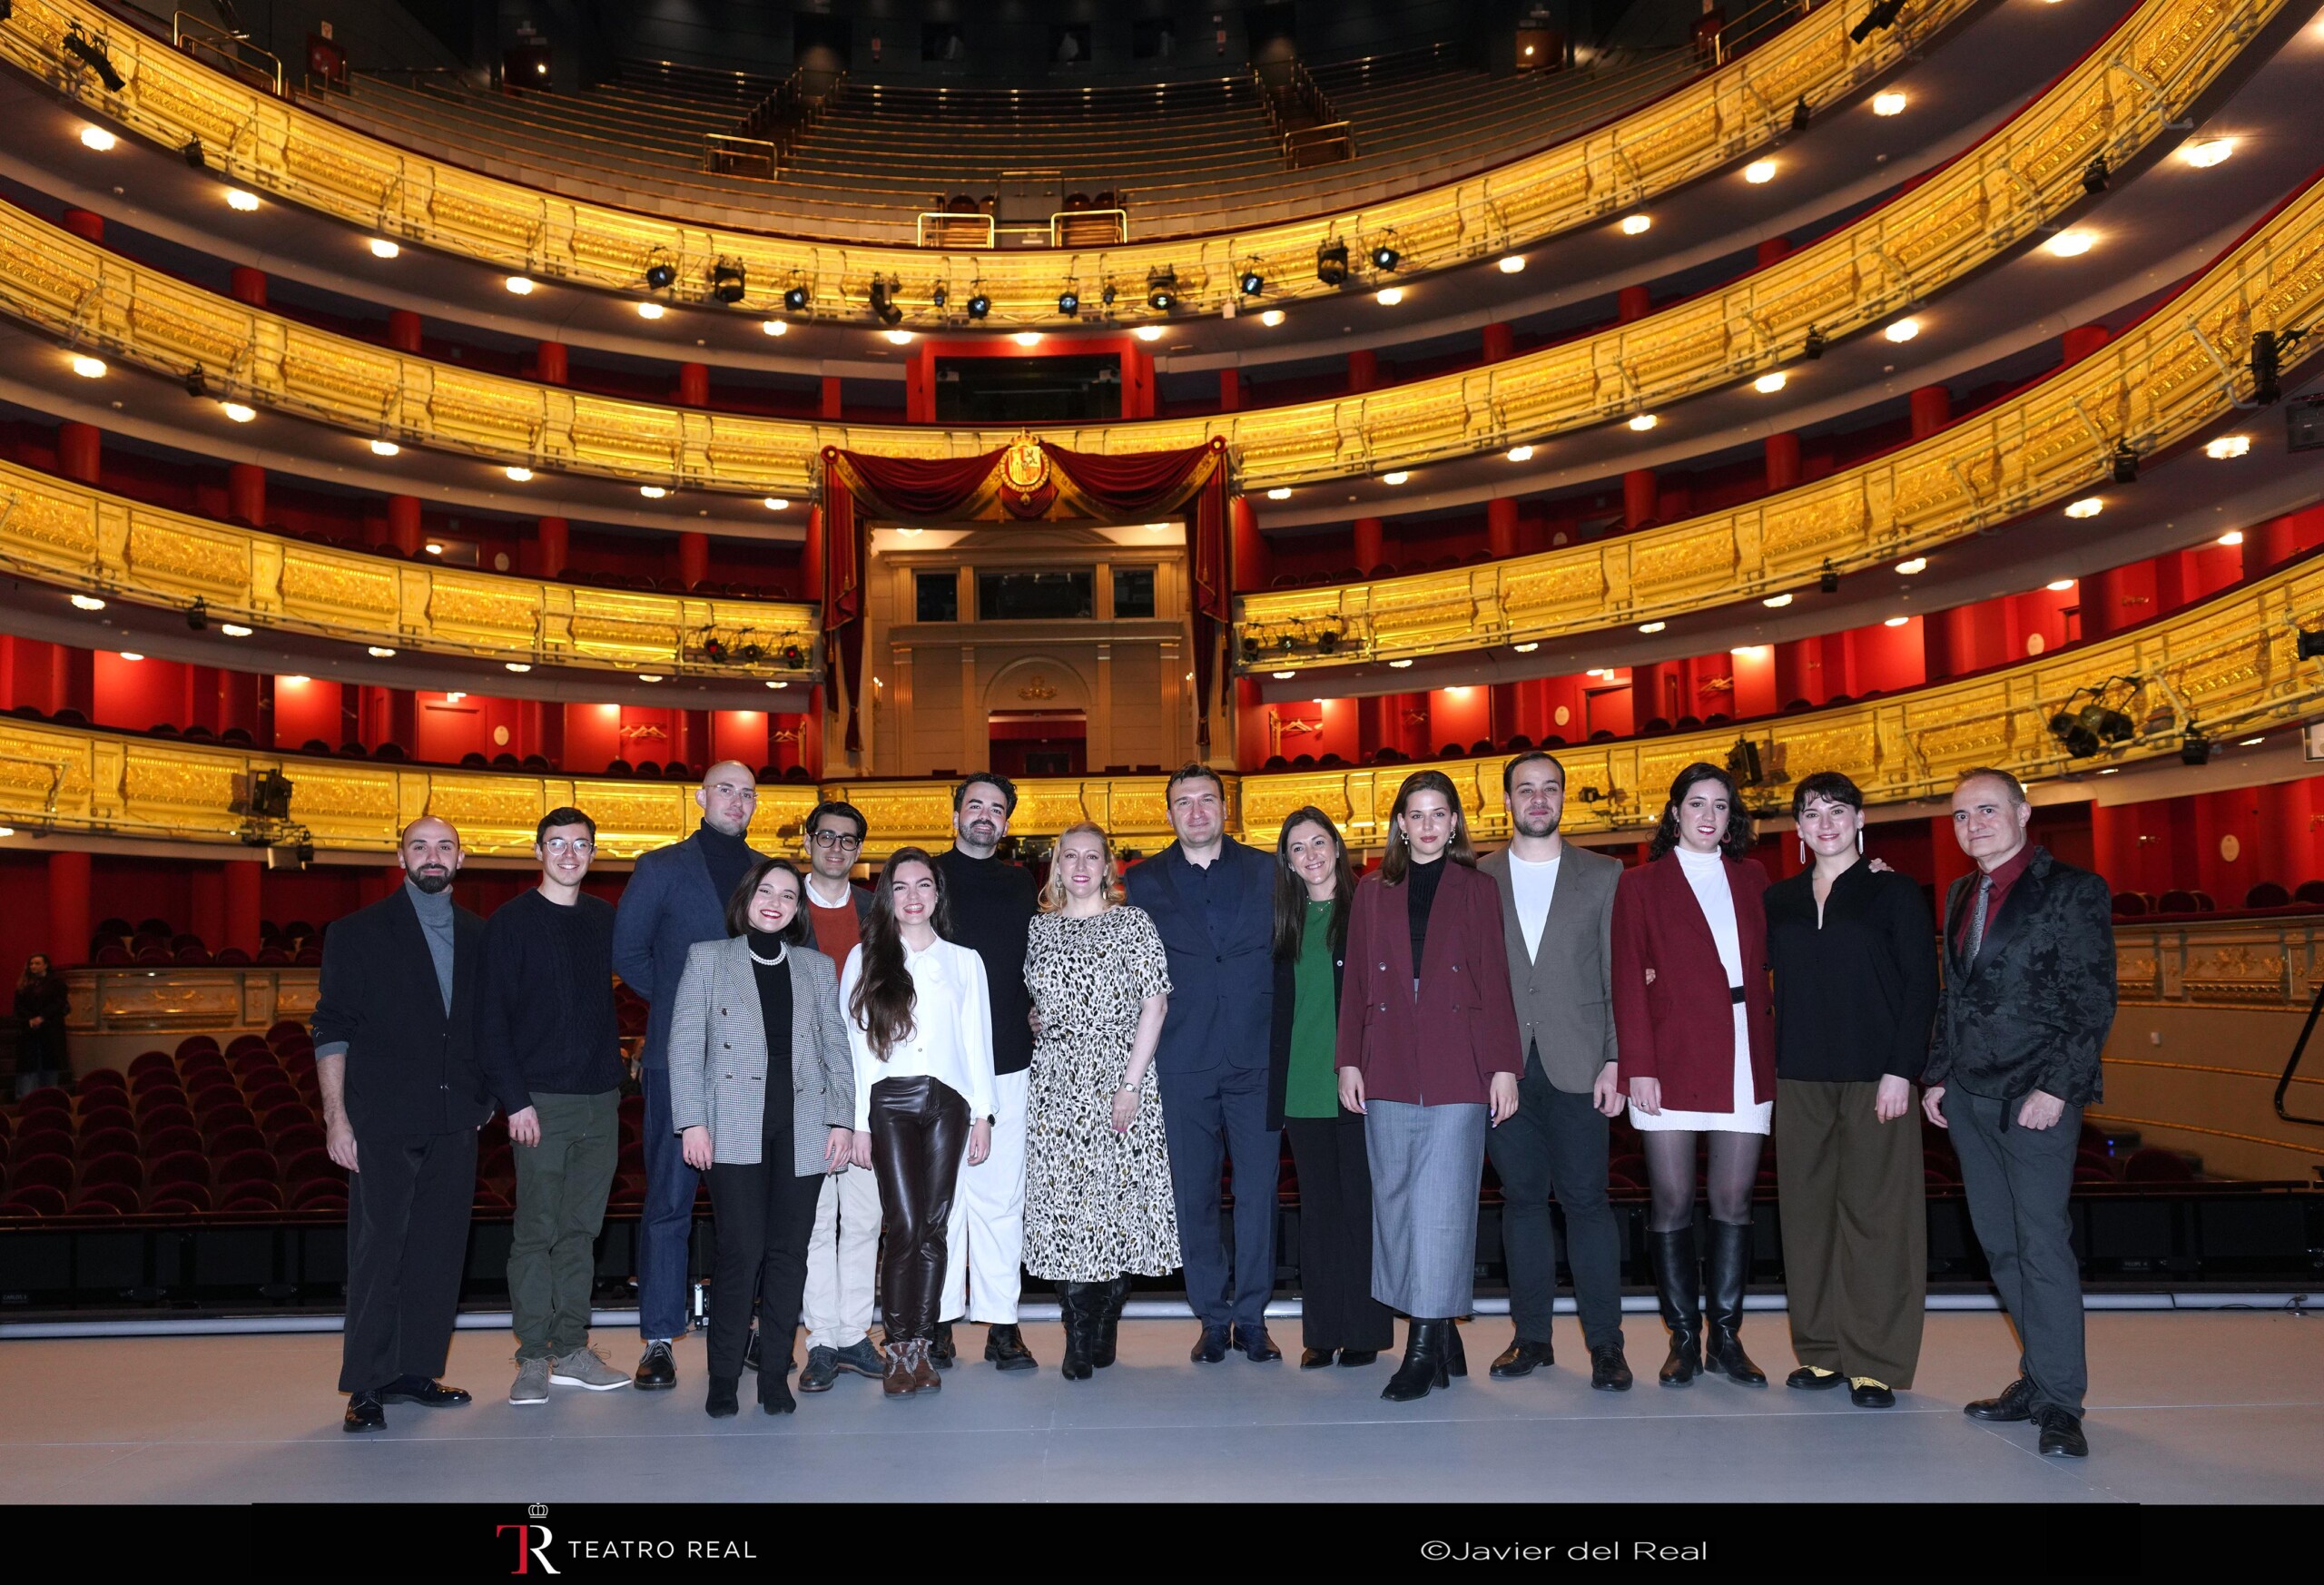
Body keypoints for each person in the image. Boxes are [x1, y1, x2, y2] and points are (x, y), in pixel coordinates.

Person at [1924, 767, 2114, 1459]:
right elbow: (1955, 996)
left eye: (1987, 810)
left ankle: (2062, 1402)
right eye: (1961, 816)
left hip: (2037, 1096)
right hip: (1970, 1096)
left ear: (2023, 812)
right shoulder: (1959, 894)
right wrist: (1938, 1074)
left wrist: (2058, 1089)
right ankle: (2036, 1378)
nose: (1974, 824)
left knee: (2041, 1247)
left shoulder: (2073, 891)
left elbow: (2091, 1001)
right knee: (2000, 1245)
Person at [1336, 770, 1522, 1403]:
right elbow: (1357, 982)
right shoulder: (1371, 892)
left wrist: (1503, 1065)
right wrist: (1348, 1061)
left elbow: (1496, 978)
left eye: (1438, 814)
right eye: (1414, 814)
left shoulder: (1478, 888)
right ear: (1398, 824)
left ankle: (1421, 1348)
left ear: (1454, 823)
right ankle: (1439, 1334)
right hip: (1385, 1055)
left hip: (1457, 1060)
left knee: (1441, 1205)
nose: (1426, 825)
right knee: (1394, 1201)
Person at [1766, 772, 1939, 1410]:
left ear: (1861, 819)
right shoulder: (1778, 899)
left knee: (1878, 1223)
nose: (1826, 822)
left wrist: (1903, 1070)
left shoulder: (1893, 892)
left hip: (1876, 1078)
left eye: (1839, 810)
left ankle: (1876, 1360)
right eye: (1812, 813)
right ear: (1799, 828)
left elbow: (1922, 984)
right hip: (1797, 1078)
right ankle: (1821, 1353)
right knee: (1807, 1221)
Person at [314, 816, 490, 1432]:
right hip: (381, 1120)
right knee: (377, 1253)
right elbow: (332, 1028)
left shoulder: (478, 935)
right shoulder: (356, 933)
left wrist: (486, 1100)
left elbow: (488, 1028)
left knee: (439, 1253)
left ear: (461, 859)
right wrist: (337, 1118)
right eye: (420, 846)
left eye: (444, 846)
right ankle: (365, 1385)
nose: (432, 856)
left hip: (453, 1120)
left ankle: (414, 1371)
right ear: (401, 857)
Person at [667, 857, 855, 1418]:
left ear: (798, 909)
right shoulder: (708, 959)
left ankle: (776, 1373)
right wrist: (691, 1122)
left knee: (789, 1255)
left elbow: (835, 1049)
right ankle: (723, 1377)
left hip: (804, 1129)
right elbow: (684, 1048)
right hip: (732, 1128)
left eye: (789, 895)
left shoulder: (815, 967)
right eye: (766, 891)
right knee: (740, 1253)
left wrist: (842, 1119)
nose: (776, 902)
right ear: (747, 897)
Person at [1612, 762, 1776, 1390]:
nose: (1709, 816)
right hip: (1668, 1055)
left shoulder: (1756, 878)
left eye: (1721, 806)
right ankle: (1683, 1339)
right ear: (1675, 811)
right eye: (1697, 804)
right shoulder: (1641, 884)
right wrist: (1639, 1068)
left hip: (1743, 1050)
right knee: (1674, 1201)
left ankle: (1726, 1339)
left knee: (1733, 1202)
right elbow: (1628, 978)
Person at [1477, 752, 1634, 1391]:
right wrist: (1487, 1064)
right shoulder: (1478, 877)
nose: (1538, 799)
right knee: (1520, 1204)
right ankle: (1532, 1339)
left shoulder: (1605, 874)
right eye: (1525, 790)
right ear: (1507, 802)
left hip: (1582, 1063)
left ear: (1563, 798)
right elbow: (1476, 985)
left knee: (1587, 1204)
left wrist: (1617, 1058)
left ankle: (1606, 1345)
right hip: (1504, 1071)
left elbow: (1616, 974)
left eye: (1549, 789)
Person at [612, 761, 767, 1392]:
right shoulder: (661, 868)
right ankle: (658, 1339)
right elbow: (627, 953)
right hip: (676, 1061)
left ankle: (743, 1327)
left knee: (744, 1210)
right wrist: (688, 1007)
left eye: (748, 793)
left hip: (750, 1067)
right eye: (725, 789)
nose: (737, 801)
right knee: (669, 1203)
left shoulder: (767, 873)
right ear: (702, 797)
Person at [1124, 763, 1284, 1364]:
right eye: (1184, 802)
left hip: (1256, 1058)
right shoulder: (1140, 881)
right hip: (1182, 1060)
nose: (1196, 811)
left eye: (1207, 800)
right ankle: (1213, 1319)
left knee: (1257, 1194)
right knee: (1194, 1197)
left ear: (1225, 808)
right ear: (1169, 814)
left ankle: (1252, 1316)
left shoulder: (1268, 871)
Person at [478, 807, 631, 1405]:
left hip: (600, 1100)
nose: (570, 853)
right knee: (535, 1233)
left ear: (593, 853)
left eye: (581, 844)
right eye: (558, 843)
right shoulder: (510, 923)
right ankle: (532, 1356)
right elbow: (490, 1021)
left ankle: (570, 1348)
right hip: (539, 1101)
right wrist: (514, 1101)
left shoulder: (603, 918)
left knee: (580, 1232)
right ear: (538, 851)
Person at [1021, 822, 1177, 1380]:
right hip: (1057, 1082)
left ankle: (1106, 1312)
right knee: (1065, 1208)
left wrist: (1131, 1085)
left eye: (1093, 857)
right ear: (1057, 865)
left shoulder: (1133, 923)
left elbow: (1154, 1006)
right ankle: (1077, 1331)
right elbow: (1039, 1002)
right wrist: (1035, 1020)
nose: (1081, 866)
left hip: (1119, 1076)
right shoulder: (1040, 929)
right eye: (1071, 856)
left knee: (1114, 1208)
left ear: (1109, 867)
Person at [840, 848, 996, 1399]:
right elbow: (855, 1050)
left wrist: (984, 1114)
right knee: (904, 1224)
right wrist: (857, 1121)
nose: (912, 896)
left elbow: (978, 1042)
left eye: (923, 885)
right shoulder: (865, 958)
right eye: (901, 886)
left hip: (949, 1104)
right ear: (888, 895)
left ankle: (919, 1350)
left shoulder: (964, 960)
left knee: (935, 1225)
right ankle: (896, 1346)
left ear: (936, 894)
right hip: (889, 1104)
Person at [1267, 807, 1392, 1370]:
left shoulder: (1367, 907)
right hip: (1300, 1085)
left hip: (1358, 1083)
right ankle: (1321, 1332)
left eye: (1320, 842)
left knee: (1360, 1210)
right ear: (1288, 862)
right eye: (1299, 848)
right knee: (1317, 1213)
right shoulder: (1282, 921)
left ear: (1338, 848)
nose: (1311, 854)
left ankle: (1363, 1330)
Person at [931, 774, 1040, 1372]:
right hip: (939, 1064)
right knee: (942, 1201)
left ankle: (1003, 1325)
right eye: (975, 805)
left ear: (1005, 824)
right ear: (955, 815)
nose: (984, 816)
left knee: (1001, 1199)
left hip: (1008, 1059)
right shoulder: (927, 877)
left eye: (996, 809)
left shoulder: (1022, 883)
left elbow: (1035, 962)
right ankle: (941, 1323)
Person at [795, 800, 884, 1393]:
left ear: (858, 852)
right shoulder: (778, 902)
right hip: (800, 1089)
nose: (835, 847)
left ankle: (854, 1330)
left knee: (864, 1220)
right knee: (811, 1222)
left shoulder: (878, 912)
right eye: (825, 837)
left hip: (866, 1087)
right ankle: (821, 1339)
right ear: (808, 841)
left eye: (848, 841)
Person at [14, 952, 68, 1097]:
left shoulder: (56, 983)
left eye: (37, 963)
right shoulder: (24, 985)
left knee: (49, 1063)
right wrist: (29, 1020)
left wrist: (42, 1017)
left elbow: (59, 1004)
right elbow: (19, 1007)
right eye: (31, 964)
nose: (33, 967)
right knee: (29, 1064)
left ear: (45, 965)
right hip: (29, 1030)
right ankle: (27, 1096)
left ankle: (49, 1094)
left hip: (50, 1028)